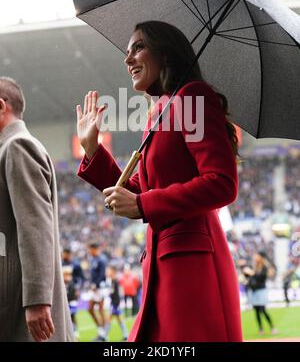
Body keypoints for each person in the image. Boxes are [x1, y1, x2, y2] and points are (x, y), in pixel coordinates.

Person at [76, 21, 243, 342]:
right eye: (126, 52)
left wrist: (142, 204)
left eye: (138, 47)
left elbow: (222, 183)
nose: (127, 59)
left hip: (193, 270)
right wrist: (92, 149)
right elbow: (136, 189)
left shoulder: (192, 97)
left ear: (166, 54)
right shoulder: (158, 112)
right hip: (162, 268)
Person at [0, 77, 73, 342]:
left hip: (20, 303)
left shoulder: (17, 146)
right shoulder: (10, 148)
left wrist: (37, 300)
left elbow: (34, 227)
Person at [242, 250, 277, 335]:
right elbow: (250, 277)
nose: (255, 257)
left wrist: (251, 273)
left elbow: (261, 278)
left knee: (262, 310)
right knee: (256, 311)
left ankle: (272, 327)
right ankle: (261, 329)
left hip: (261, 291)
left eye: (257, 255)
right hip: (254, 290)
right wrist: (246, 273)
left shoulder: (264, 266)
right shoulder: (254, 266)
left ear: (261, 257)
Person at [87, 243, 107, 341]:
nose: (90, 251)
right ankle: (100, 330)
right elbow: (92, 274)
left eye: (91, 249)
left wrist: (96, 284)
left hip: (100, 288)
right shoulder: (93, 259)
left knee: (101, 310)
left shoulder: (101, 260)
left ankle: (103, 334)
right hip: (93, 288)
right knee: (90, 309)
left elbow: (102, 274)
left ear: (95, 249)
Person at [105, 263, 128, 341]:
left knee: (108, 319)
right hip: (114, 303)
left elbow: (118, 294)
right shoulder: (113, 281)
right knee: (119, 320)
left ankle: (105, 336)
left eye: (108, 270)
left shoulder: (115, 282)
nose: (107, 272)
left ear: (113, 271)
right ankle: (126, 335)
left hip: (115, 304)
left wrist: (115, 304)